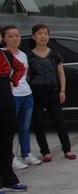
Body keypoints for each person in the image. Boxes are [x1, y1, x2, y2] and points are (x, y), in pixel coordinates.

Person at [28, 24, 76, 162]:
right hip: (35, 93)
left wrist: (62, 90)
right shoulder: (29, 56)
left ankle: (67, 149)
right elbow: (27, 76)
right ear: (33, 36)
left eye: (45, 33)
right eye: (39, 33)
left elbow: (61, 74)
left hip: (53, 92)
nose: (43, 36)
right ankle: (45, 152)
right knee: (39, 123)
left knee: (59, 123)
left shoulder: (55, 54)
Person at [2, 26, 41, 169]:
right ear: (4, 38)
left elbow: (25, 74)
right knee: (9, 129)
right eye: (10, 36)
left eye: (17, 35)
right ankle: (11, 157)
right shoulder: (3, 54)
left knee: (25, 127)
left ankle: (26, 153)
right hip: (11, 96)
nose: (15, 39)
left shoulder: (23, 55)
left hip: (26, 94)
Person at [0, 25, 28, 194]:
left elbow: (21, 68)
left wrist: (12, 81)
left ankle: (9, 179)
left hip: (6, 100)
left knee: (6, 141)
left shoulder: (5, 54)